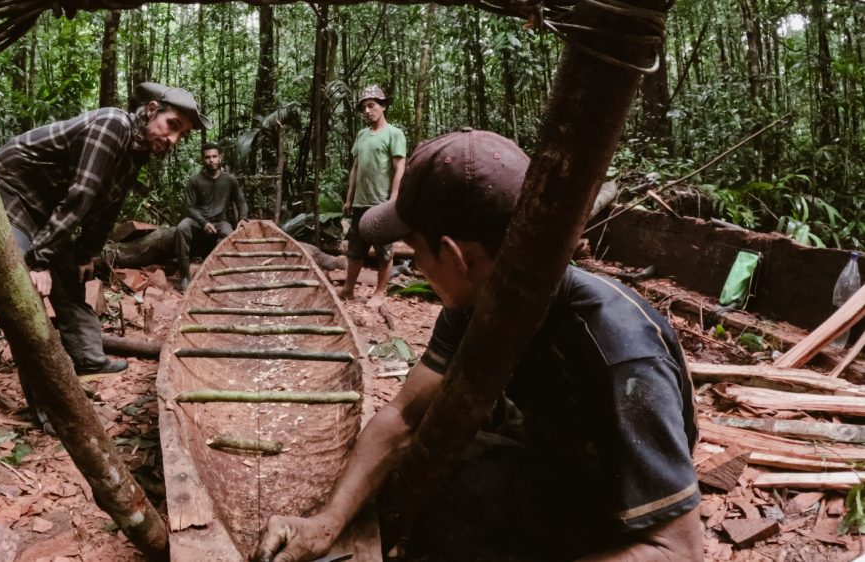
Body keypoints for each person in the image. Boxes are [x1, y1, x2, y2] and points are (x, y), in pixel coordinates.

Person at [254, 130, 702, 562]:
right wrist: (327, 522)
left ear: (454, 255)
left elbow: (676, 550)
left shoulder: (623, 352)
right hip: (550, 454)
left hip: (613, 511)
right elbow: (404, 415)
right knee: (425, 471)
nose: (417, 265)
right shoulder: (477, 304)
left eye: (415, 250)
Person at [0, 82, 211, 375]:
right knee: (23, 284)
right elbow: (82, 194)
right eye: (172, 125)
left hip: (46, 207)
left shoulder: (136, 153)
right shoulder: (113, 125)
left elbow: (107, 209)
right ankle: (46, 392)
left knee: (70, 274)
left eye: (181, 135)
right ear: (152, 110)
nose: (173, 139)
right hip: (10, 190)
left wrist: (85, 253)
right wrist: (38, 260)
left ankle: (87, 358)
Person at [340, 85, 406, 310]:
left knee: (384, 252)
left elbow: (400, 168)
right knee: (355, 249)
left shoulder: (394, 134)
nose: (367, 111)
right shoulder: (361, 135)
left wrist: (393, 199)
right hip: (360, 202)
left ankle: (379, 293)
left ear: (383, 106)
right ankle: (348, 289)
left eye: (372, 105)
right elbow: (355, 168)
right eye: (364, 107)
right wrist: (349, 198)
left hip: (381, 204)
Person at [175, 142, 248, 292]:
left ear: (220, 157)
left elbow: (241, 202)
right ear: (203, 159)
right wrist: (203, 222)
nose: (211, 160)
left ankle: (218, 275)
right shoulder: (194, 180)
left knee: (228, 233)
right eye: (207, 157)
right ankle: (184, 276)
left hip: (221, 222)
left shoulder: (229, 180)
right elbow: (189, 207)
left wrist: (243, 219)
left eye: (214, 156)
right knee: (182, 227)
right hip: (197, 221)